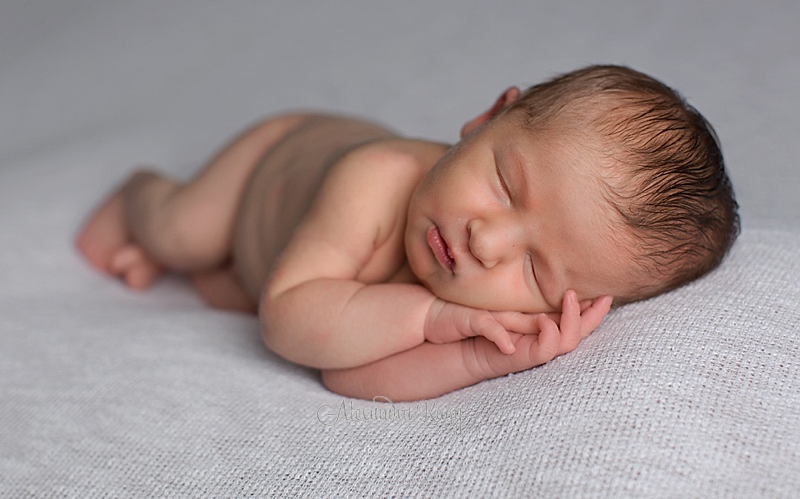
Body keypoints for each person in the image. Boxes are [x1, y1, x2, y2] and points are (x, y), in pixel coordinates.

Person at [76, 65, 740, 401]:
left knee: (233, 288)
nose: (489, 241)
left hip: (286, 263)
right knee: (185, 233)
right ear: (487, 118)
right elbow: (286, 323)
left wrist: (483, 356)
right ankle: (138, 198)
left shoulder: (481, 301)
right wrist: (428, 314)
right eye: (506, 186)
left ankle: (219, 269)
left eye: (537, 272)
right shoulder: (377, 176)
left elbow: (346, 376)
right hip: (268, 167)